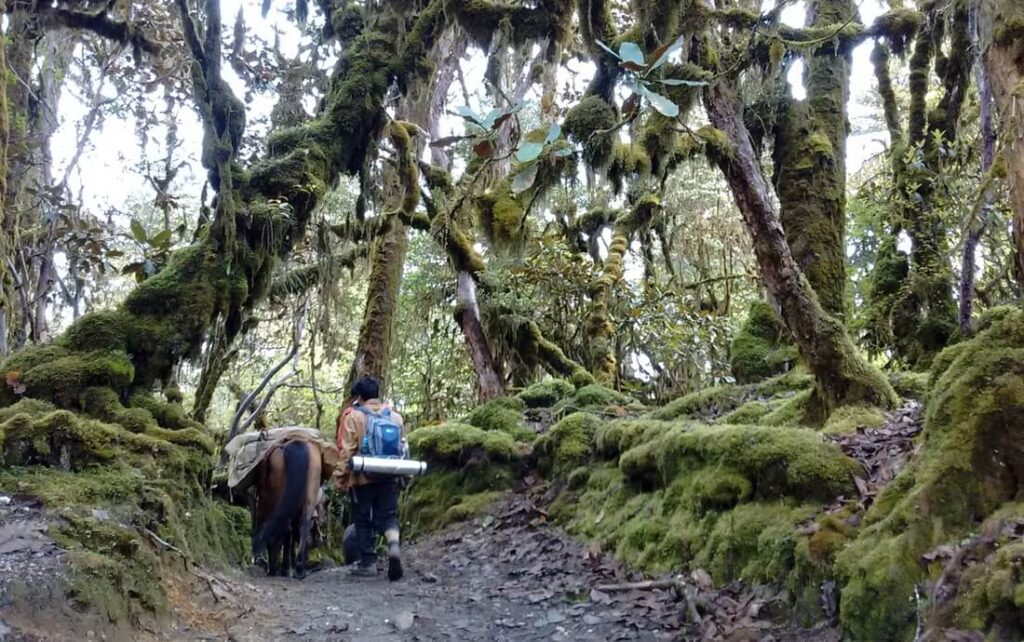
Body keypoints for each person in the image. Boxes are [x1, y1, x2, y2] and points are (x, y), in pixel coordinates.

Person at [335, 376, 406, 580]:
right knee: (389, 516)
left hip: (363, 478)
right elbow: (402, 447)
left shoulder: (354, 416)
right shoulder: (395, 417)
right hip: (390, 475)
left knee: (363, 518)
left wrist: (340, 477)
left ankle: (368, 563)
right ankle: (393, 544)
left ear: (358, 397)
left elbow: (347, 451)